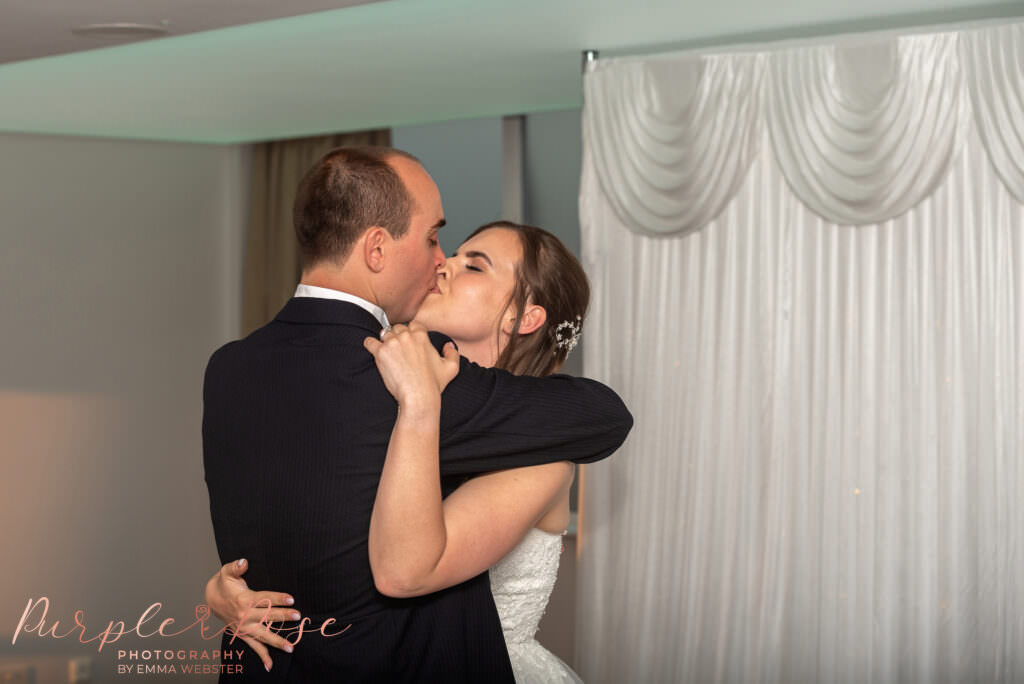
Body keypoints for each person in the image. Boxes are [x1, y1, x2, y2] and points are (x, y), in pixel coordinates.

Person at [202, 146, 632, 682]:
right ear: (377, 248)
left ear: (528, 316)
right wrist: (225, 587)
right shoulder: (395, 378)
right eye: (436, 241)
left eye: (472, 264)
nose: (443, 262)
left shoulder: (229, 367)